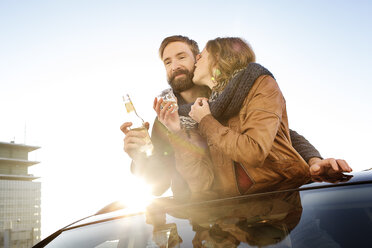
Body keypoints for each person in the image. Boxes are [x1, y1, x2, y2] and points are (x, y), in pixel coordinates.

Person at [121, 35, 351, 198]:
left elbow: (281, 135)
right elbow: (157, 186)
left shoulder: (230, 93)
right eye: (167, 62)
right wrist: (140, 156)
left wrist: (314, 160)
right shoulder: (166, 119)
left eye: (181, 57)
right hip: (201, 216)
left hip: (267, 201)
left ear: (198, 59)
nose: (174, 66)